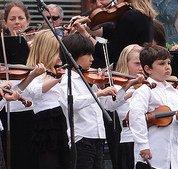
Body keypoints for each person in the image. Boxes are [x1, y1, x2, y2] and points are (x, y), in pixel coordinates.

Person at [59, 32, 127, 169]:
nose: (92, 59)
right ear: (74, 56)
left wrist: (125, 88)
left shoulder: (91, 80)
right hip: (81, 137)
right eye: (88, 55)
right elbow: (73, 104)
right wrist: (100, 93)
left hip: (99, 136)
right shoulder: (67, 80)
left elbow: (109, 106)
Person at [128, 44, 178, 169]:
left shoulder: (175, 92)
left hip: (171, 157)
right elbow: (136, 117)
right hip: (151, 154)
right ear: (148, 69)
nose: (167, 67)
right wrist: (143, 145)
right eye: (162, 64)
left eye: (168, 63)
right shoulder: (144, 90)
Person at [0, 0, 45, 169]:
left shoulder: (35, 45)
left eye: (20, 18)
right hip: (7, 108)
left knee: (31, 157)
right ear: (5, 22)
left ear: (27, 20)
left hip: (30, 108)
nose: (17, 22)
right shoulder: (2, 45)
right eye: (12, 19)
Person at [24, 30, 69, 169]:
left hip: (62, 117)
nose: (61, 56)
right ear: (47, 52)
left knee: (66, 160)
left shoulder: (60, 71)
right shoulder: (34, 73)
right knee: (49, 161)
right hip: (47, 120)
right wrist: (57, 79)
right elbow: (36, 91)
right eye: (57, 52)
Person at [114, 44, 145, 169]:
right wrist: (129, 92)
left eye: (144, 64)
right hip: (129, 140)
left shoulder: (148, 85)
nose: (141, 68)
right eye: (137, 64)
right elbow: (112, 105)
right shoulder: (118, 87)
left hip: (150, 140)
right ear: (125, 63)